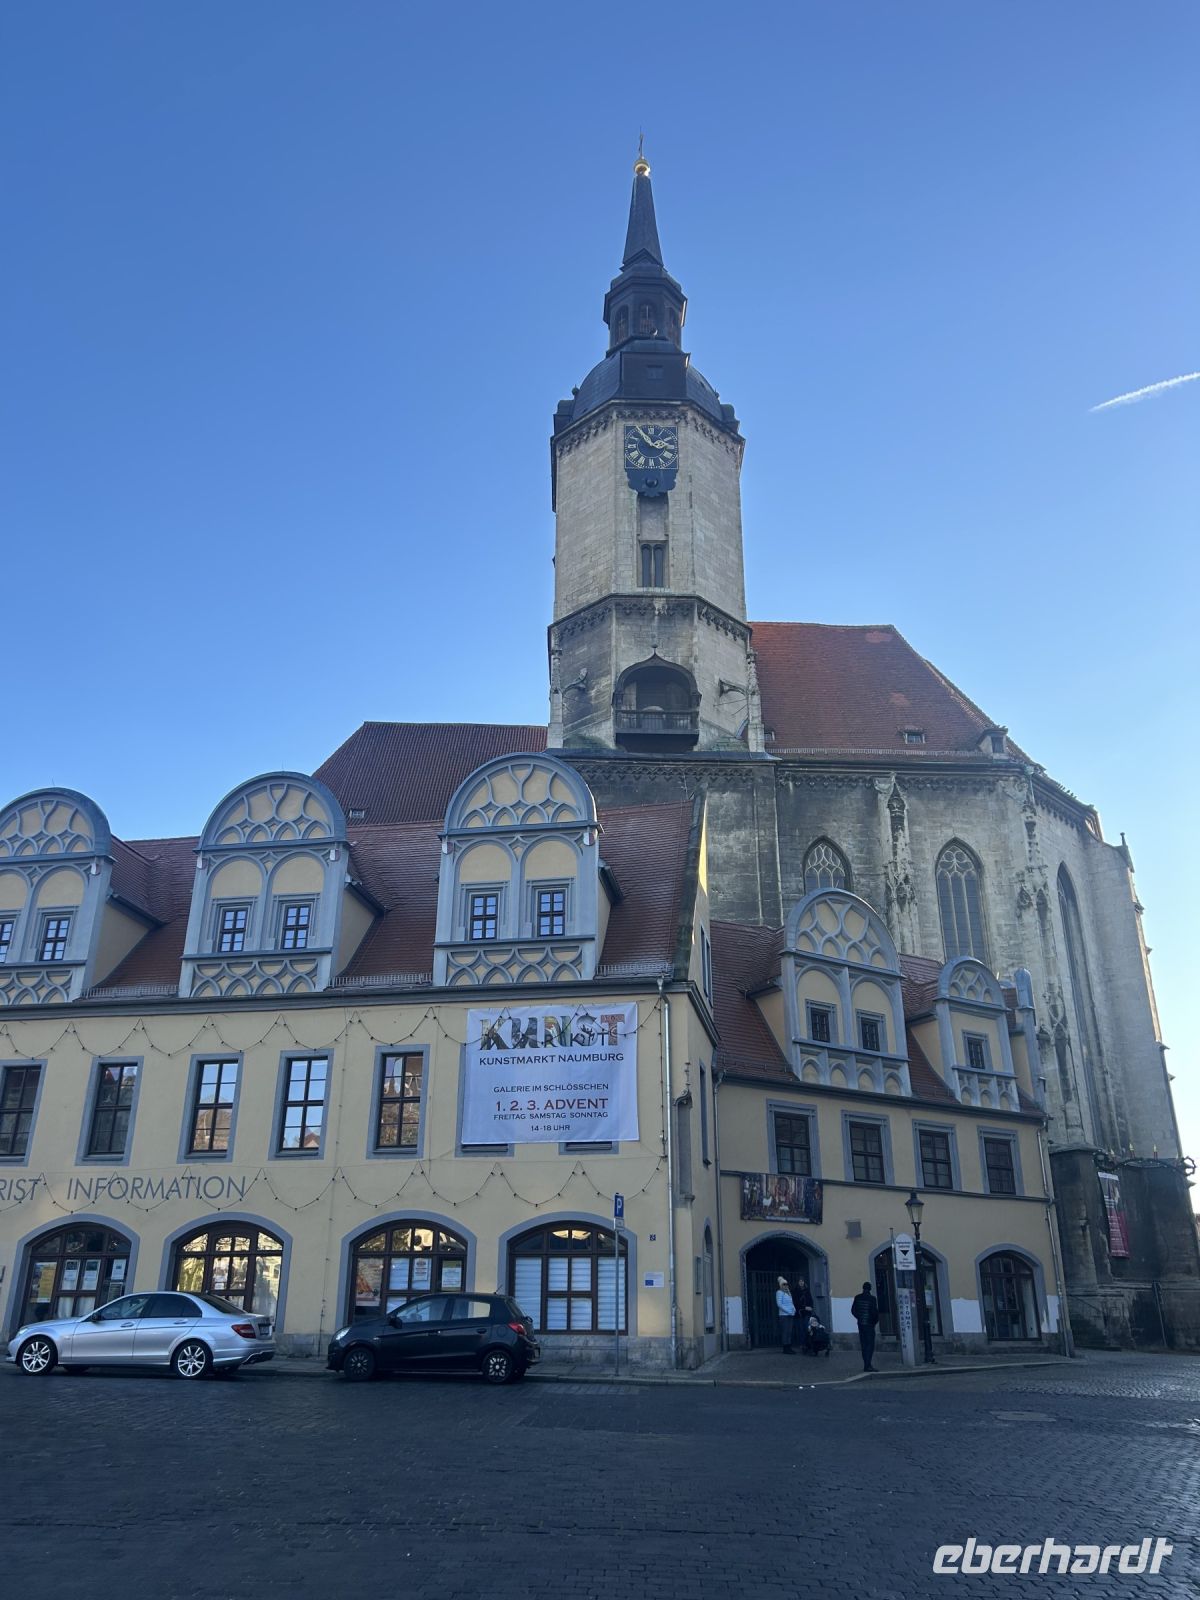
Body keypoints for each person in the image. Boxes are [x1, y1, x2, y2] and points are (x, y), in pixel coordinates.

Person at [851, 1280, 880, 1372]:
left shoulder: (857, 1297)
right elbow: (874, 1313)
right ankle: (868, 1365)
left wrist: (859, 1317)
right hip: (869, 1325)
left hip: (861, 1324)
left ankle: (866, 1364)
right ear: (870, 1289)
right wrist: (874, 1322)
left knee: (863, 1345)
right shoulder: (872, 1299)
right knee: (870, 1345)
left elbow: (853, 1310)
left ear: (863, 1288)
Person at [775, 1275, 796, 1353]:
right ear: (781, 1285)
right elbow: (779, 1304)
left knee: (789, 1331)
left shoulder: (788, 1293)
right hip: (784, 1315)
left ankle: (789, 1346)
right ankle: (785, 1348)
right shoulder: (779, 1292)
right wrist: (788, 1311)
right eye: (784, 1284)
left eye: (786, 1284)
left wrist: (794, 1309)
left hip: (790, 1315)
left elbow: (791, 1303)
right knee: (785, 1331)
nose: (785, 1286)